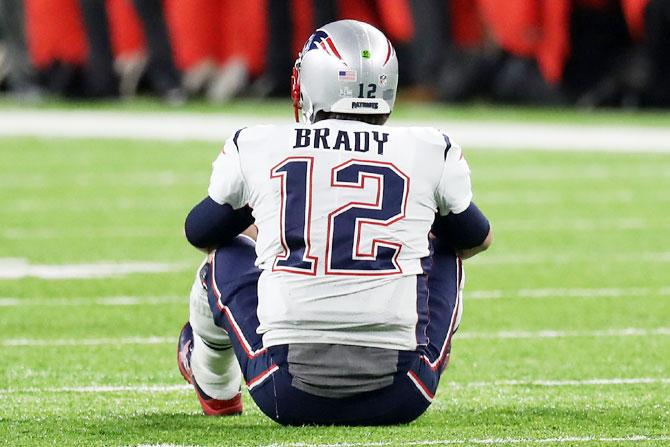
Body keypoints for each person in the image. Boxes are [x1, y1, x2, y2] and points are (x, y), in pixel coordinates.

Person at [177, 19, 493, 426]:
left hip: (285, 392)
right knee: (446, 245)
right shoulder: (430, 148)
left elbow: (199, 231)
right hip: (405, 394)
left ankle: (214, 384)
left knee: (225, 255)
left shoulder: (259, 144)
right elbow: (478, 238)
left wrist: (274, 229)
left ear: (313, 81)